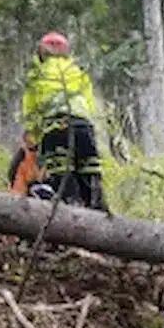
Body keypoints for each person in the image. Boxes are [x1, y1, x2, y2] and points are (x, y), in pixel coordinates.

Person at [21, 32, 106, 210]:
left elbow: (31, 112)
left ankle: (72, 216)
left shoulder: (37, 75)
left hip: (56, 128)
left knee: (63, 179)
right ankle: (99, 216)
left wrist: (34, 140)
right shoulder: (78, 72)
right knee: (90, 177)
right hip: (84, 127)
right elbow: (90, 106)